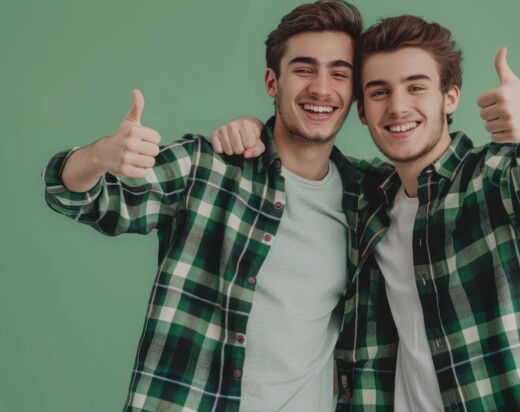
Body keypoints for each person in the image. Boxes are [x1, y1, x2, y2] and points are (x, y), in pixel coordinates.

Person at [43, 2, 368, 411]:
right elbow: (74, 194)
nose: (321, 88)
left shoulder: (367, 195)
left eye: (339, 73)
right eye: (303, 69)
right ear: (273, 82)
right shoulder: (206, 166)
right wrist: (99, 157)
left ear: (353, 91)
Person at [212, 15, 520, 411]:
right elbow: (301, 157)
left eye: (416, 87)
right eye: (379, 92)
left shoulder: (496, 179)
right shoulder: (369, 199)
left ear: (451, 97)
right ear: (361, 110)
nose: (398, 107)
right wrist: (255, 129)